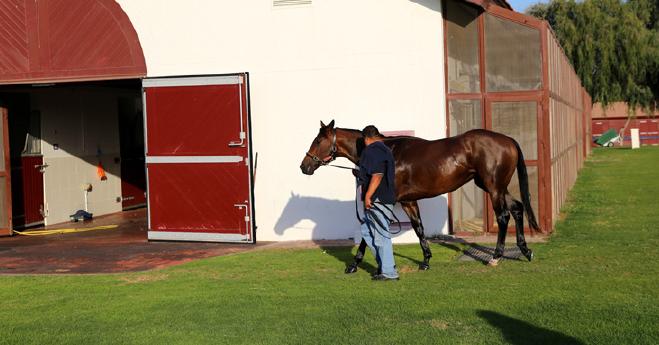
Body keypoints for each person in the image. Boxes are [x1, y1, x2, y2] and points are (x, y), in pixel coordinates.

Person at [357, 125, 399, 281]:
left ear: (366, 138)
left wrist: (368, 195)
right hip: (384, 198)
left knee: (381, 235)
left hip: (377, 200)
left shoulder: (372, 150)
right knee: (367, 231)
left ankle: (389, 272)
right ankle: (384, 266)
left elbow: (377, 174)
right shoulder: (385, 149)